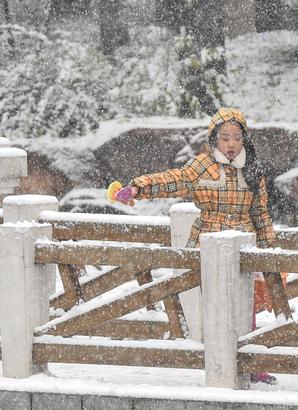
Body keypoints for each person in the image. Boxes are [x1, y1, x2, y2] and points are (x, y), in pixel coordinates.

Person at [108, 107, 278, 385]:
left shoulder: (253, 169)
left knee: (246, 308)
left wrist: (269, 250)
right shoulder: (202, 166)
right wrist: (138, 187)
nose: (231, 144)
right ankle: (219, 364)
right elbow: (172, 179)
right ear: (214, 140)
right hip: (208, 245)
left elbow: (261, 213)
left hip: (245, 247)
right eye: (225, 138)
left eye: (236, 137)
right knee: (216, 307)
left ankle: (251, 364)